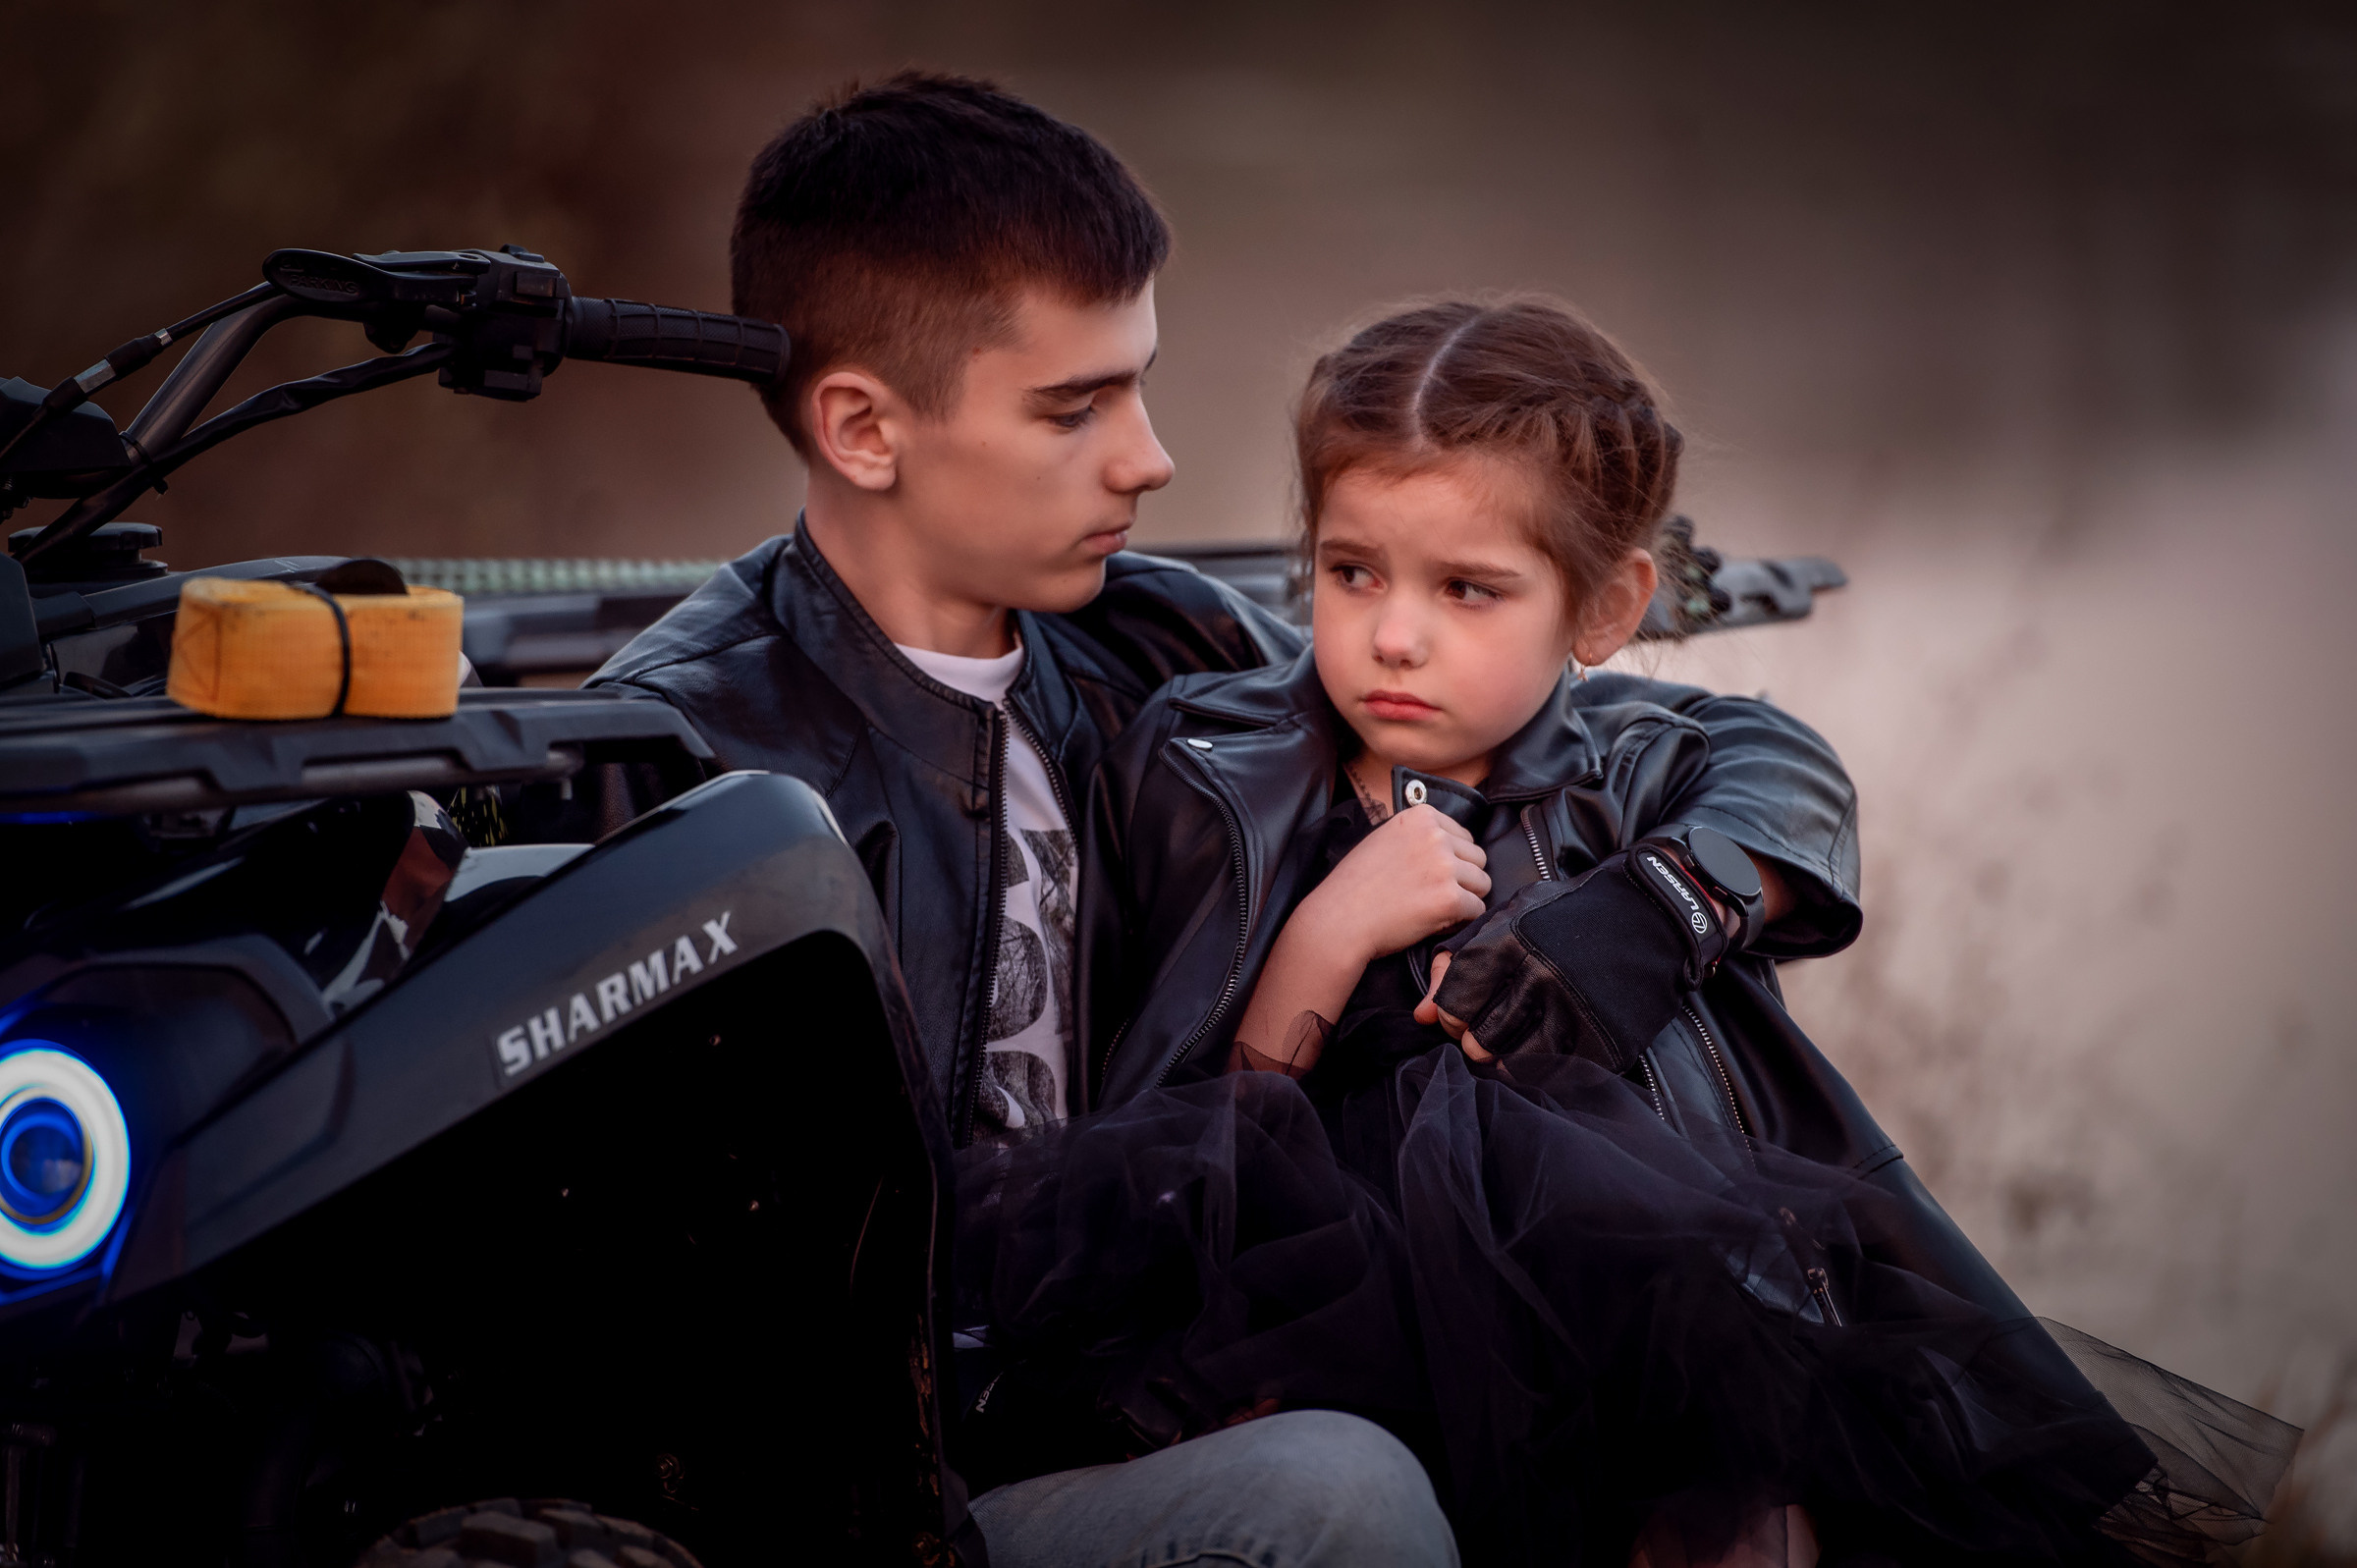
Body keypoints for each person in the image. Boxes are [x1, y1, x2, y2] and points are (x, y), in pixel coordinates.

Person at [592, 73, 1865, 1568]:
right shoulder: (681, 753)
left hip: (1151, 1370)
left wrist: (1676, 899)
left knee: (1676, 1408)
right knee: (1343, 1496)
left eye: (1137, 382)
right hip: (884, 1499)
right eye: (1076, 407)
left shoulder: (1158, 644)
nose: (1150, 457)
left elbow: (1697, 741)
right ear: (866, 427)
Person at [957, 298, 2300, 1566]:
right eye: (1351, 571)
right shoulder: (1203, 771)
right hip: (1325, 1319)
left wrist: (1658, 905)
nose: (1393, 636)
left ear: (1602, 611)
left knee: (1731, 1494)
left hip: (1637, 1304)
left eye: (1468, 589)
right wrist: (1322, 934)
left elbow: (1792, 786)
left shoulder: (1637, 773)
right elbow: (1180, 1144)